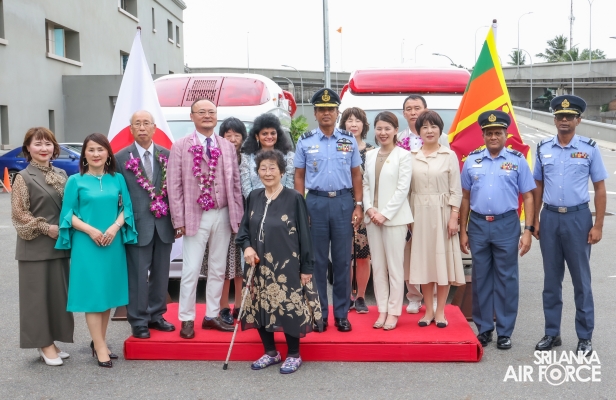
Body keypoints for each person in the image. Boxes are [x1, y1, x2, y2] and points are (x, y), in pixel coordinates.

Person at [532, 95, 607, 355]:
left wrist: (598, 225)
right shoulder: (543, 148)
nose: (564, 120)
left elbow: (599, 188)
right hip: (550, 218)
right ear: (554, 119)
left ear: (578, 120)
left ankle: (584, 337)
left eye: (569, 116)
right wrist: (534, 220)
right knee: (551, 280)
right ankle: (552, 333)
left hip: (578, 218)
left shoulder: (590, 148)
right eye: (560, 116)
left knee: (581, 281)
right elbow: (537, 186)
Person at [56, 133, 138, 367]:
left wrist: (114, 227)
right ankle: (100, 347)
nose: (96, 154)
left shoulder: (117, 179)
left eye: (100, 149)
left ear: (108, 154)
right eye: (91, 149)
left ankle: (98, 341)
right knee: (93, 296)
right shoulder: (75, 181)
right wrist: (91, 231)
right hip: (87, 245)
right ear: (84, 154)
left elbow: (127, 209)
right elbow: (67, 215)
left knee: (107, 294)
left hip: (113, 243)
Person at [237, 149, 322, 374]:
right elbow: (243, 230)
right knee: (259, 306)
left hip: (287, 265)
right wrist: (246, 247)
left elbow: (305, 235)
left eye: (272, 168)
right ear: (257, 172)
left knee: (288, 307)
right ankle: (270, 352)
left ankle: (293, 354)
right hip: (257, 265)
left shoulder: (294, 198)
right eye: (263, 168)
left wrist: (306, 267)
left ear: (282, 172)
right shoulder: (253, 197)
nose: (267, 173)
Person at [167, 99, 244, 339]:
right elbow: (173, 185)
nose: (207, 115)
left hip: (223, 213)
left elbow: (235, 184)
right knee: (190, 269)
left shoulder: (227, 146)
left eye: (211, 111)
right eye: (201, 112)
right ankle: (186, 318)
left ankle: (211, 315)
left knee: (218, 268)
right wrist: (178, 219)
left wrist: (238, 217)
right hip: (195, 215)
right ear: (192, 116)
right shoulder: (180, 146)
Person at [459, 111, 535, 350]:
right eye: (489, 133)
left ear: (506, 135)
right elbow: (465, 197)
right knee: (481, 278)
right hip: (478, 224)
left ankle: (504, 331)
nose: (493, 137)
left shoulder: (517, 160)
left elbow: (529, 197)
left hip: (506, 224)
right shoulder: (472, 161)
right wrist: (463, 230)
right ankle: (484, 329)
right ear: (483, 135)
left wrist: (528, 230)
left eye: (498, 133)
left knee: (506, 279)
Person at [294, 88, 363, 332]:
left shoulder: (348, 139)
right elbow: (299, 176)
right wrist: (301, 207)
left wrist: (358, 205)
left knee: (343, 261)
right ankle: (320, 313)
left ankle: (341, 314)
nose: (326, 113)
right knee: (317, 262)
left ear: (337, 112)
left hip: (343, 202)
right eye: (321, 109)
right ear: (315, 113)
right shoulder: (305, 140)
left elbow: (356, 174)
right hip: (316, 203)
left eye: (330, 109)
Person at [11, 127, 74, 366]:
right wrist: (46, 228)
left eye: (48, 144)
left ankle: (52, 341)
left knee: (57, 297)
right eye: (38, 144)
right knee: (36, 299)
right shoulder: (23, 177)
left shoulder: (61, 173)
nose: (43, 148)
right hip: (35, 247)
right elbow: (19, 214)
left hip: (60, 245)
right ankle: (44, 344)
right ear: (28, 148)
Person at [115, 110, 176, 339]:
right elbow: (117, 194)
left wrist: (178, 221)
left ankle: (156, 315)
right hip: (137, 225)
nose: (142, 127)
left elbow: (175, 190)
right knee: (138, 276)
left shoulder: (167, 155)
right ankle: (139, 320)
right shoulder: (121, 158)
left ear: (154, 128)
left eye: (146, 123)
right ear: (131, 129)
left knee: (161, 274)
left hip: (164, 224)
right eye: (137, 124)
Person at [408, 110, 465, 328]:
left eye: (433, 126)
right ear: (418, 131)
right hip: (418, 215)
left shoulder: (448, 155)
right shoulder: (411, 156)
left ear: (440, 130)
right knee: (424, 263)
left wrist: (454, 216)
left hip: (443, 214)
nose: (429, 131)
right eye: (424, 127)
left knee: (442, 263)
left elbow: (456, 190)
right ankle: (428, 311)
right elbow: (407, 190)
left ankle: (440, 310)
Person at [362, 112, 413, 330]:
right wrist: (370, 209)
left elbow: (403, 189)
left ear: (395, 130)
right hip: (372, 218)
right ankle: (382, 310)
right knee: (378, 267)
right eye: (379, 128)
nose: (383, 133)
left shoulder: (404, 155)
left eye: (387, 128)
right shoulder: (370, 155)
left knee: (395, 267)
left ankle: (393, 312)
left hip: (394, 219)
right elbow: (365, 184)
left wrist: (385, 213)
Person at [398, 95, 444, 314]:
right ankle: (414, 296)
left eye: (417, 108)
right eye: (409, 108)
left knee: (433, 251)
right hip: (407, 202)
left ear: (426, 109)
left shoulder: (441, 138)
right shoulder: (398, 139)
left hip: (433, 204)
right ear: (404, 113)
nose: (413, 112)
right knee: (409, 252)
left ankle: (432, 297)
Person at [201, 117, 248, 324]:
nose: (233, 139)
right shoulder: (215, 156)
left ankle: (239, 305)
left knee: (241, 264)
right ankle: (222, 307)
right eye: (228, 135)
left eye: (237, 135)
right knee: (223, 264)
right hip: (223, 216)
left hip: (246, 217)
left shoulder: (248, 158)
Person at [339, 107, 374, 313]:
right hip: (341, 205)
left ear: (364, 125)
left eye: (357, 120)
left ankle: (360, 296)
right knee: (345, 255)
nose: (353, 124)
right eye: (349, 120)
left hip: (365, 208)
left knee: (362, 255)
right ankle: (346, 296)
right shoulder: (337, 148)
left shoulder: (372, 151)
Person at [239, 113, 294, 197]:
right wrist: (256, 202)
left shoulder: (288, 156)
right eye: (264, 134)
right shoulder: (247, 157)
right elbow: (246, 187)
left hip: (283, 202)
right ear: (257, 136)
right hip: (255, 202)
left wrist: (281, 202)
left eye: (273, 133)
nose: (269, 136)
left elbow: (290, 185)